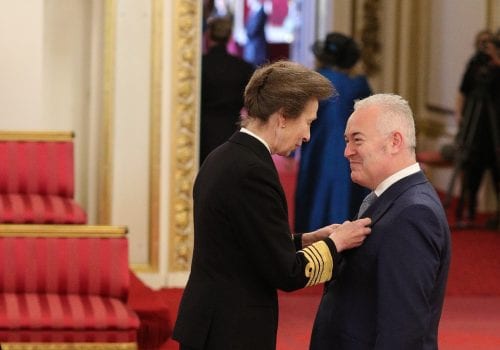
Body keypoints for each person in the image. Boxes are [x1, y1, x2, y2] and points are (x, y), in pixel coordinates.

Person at [173, 60, 372, 350]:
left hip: (214, 321)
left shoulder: (225, 155)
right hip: (231, 331)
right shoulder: (253, 171)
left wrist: (306, 240)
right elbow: (288, 273)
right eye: (307, 122)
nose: (307, 135)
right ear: (282, 117)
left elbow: (246, 243)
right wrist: (337, 243)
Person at [310, 94, 451, 350]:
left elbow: (403, 331)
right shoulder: (387, 198)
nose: (347, 151)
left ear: (395, 141)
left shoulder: (414, 213)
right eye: (346, 141)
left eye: (357, 140)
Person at [295, 32, 372, 233]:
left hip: (318, 149)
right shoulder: (359, 85)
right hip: (352, 149)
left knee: (315, 194)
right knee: (347, 196)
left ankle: (313, 244)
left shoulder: (313, 82)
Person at [453, 28, 500, 229]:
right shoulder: (475, 64)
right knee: (472, 169)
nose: (485, 46)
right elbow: (463, 91)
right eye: (482, 42)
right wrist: (459, 114)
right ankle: (468, 209)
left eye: (489, 42)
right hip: (476, 126)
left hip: (496, 127)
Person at [199, 15, 255, 165]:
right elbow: (251, 103)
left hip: (202, 133)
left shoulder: (199, 66)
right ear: (230, 36)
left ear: (208, 35)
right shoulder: (243, 67)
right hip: (232, 131)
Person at [243, 0, 271, 67]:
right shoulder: (253, 11)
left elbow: (253, 30)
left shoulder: (261, 12)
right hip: (252, 48)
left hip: (256, 49)